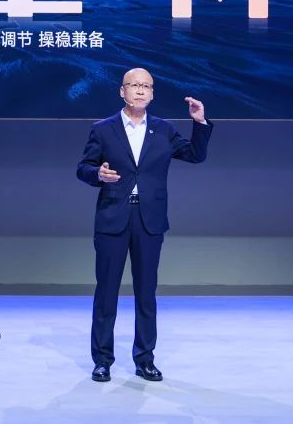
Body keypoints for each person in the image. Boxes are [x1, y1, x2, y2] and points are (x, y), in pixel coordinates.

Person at [76, 67, 212, 383]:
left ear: (152, 94)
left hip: (149, 220)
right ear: (122, 91)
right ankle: (102, 361)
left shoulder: (164, 130)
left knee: (146, 292)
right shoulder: (103, 129)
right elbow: (83, 167)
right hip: (113, 218)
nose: (140, 90)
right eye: (134, 85)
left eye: (146, 86)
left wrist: (199, 122)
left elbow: (195, 155)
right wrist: (98, 175)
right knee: (106, 292)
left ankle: (145, 359)